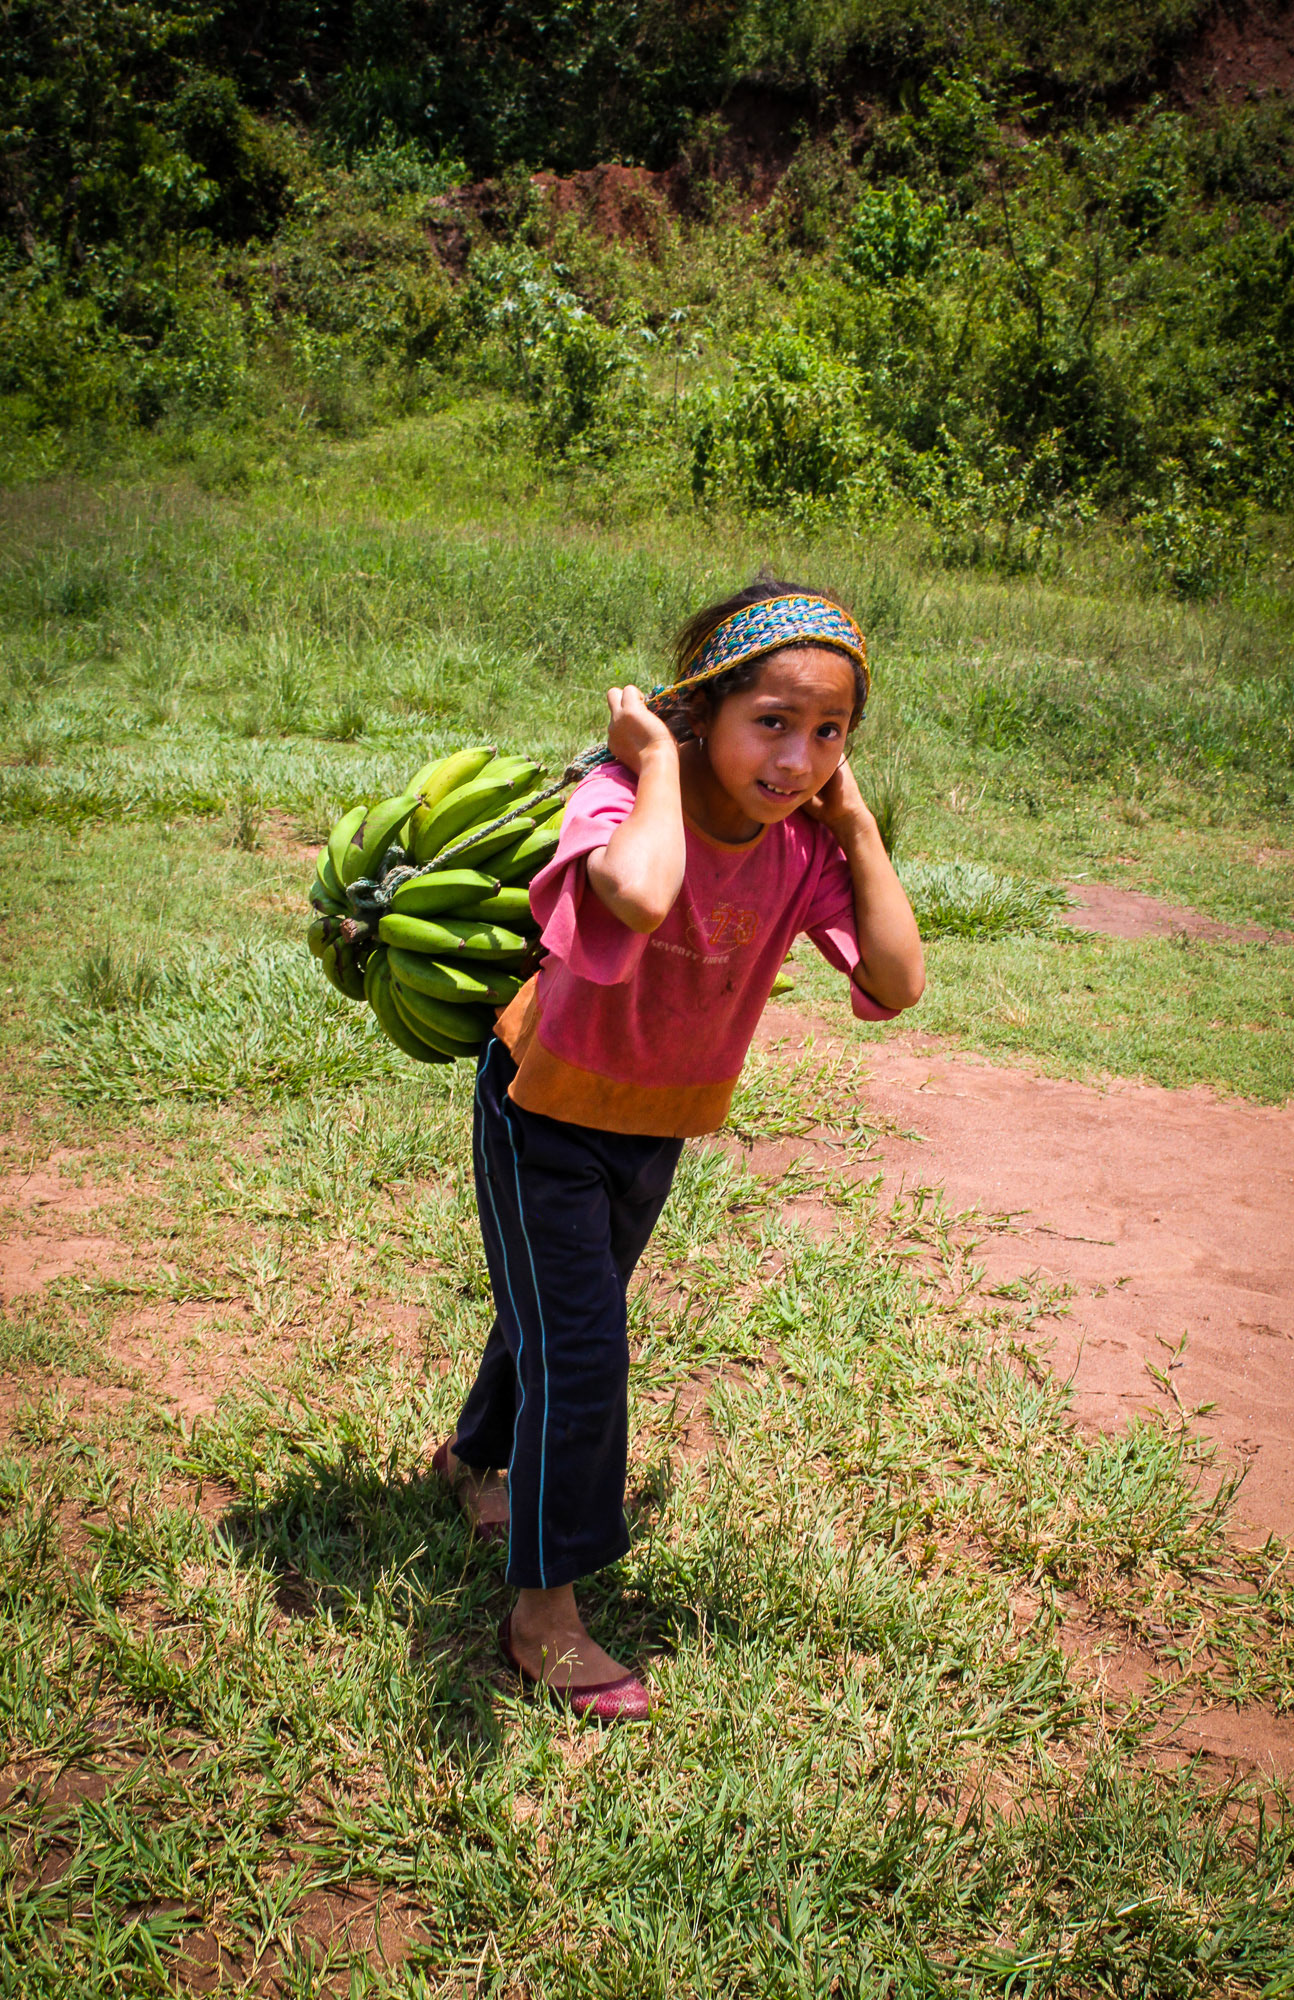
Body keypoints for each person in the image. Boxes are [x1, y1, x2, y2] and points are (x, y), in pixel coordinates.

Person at [434, 575, 925, 1720]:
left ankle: (472, 1458)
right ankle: (542, 1611)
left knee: (561, 1311)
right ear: (698, 715)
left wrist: (853, 825)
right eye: (771, 722)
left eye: (828, 734)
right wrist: (653, 762)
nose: (796, 759)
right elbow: (642, 895)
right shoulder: (618, 795)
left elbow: (896, 980)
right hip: (543, 1107)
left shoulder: (802, 843)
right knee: (584, 1344)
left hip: (654, 1123)